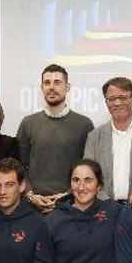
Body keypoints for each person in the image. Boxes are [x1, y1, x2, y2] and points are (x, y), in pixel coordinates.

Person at [17, 64, 94, 213]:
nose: (51, 87)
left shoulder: (85, 124)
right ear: (41, 87)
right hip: (33, 206)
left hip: (72, 205)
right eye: (47, 82)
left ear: (68, 87)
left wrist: (67, 196)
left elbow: (89, 170)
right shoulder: (28, 123)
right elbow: (19, 167)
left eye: (57, 82)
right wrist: (30, 195)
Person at [83, 76, 132, 206]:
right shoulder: (94, 137)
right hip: (102, 208)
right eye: (111, 99)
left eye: (123, 98)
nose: (117, 103)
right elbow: (88, 174)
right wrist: (105, 200)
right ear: (106, 102)